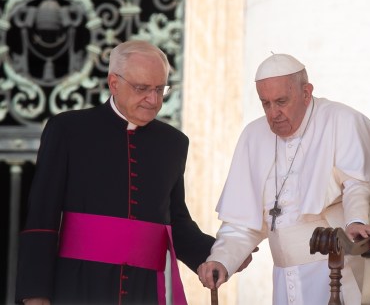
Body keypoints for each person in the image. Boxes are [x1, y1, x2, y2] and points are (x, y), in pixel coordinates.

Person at [15, 40, 227, 304]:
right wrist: (36, 296)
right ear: (114, 83)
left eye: (160, 89)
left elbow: (176, 223)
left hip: (143, 290)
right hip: (78, 284)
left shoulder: (173, 143)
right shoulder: (68, 130)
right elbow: (42, 218)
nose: (154, 100)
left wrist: (222, 254)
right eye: (143, 89)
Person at [197, 53, 370, 304]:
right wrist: (221, 259)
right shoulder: (253, 136)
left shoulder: (342, 120)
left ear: (306, 93)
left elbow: (359, 185)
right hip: (285, 279)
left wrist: (356, 221)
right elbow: (241, 223)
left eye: (281, 101)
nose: (274, 113)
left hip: (337, 273)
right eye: (266, 103)